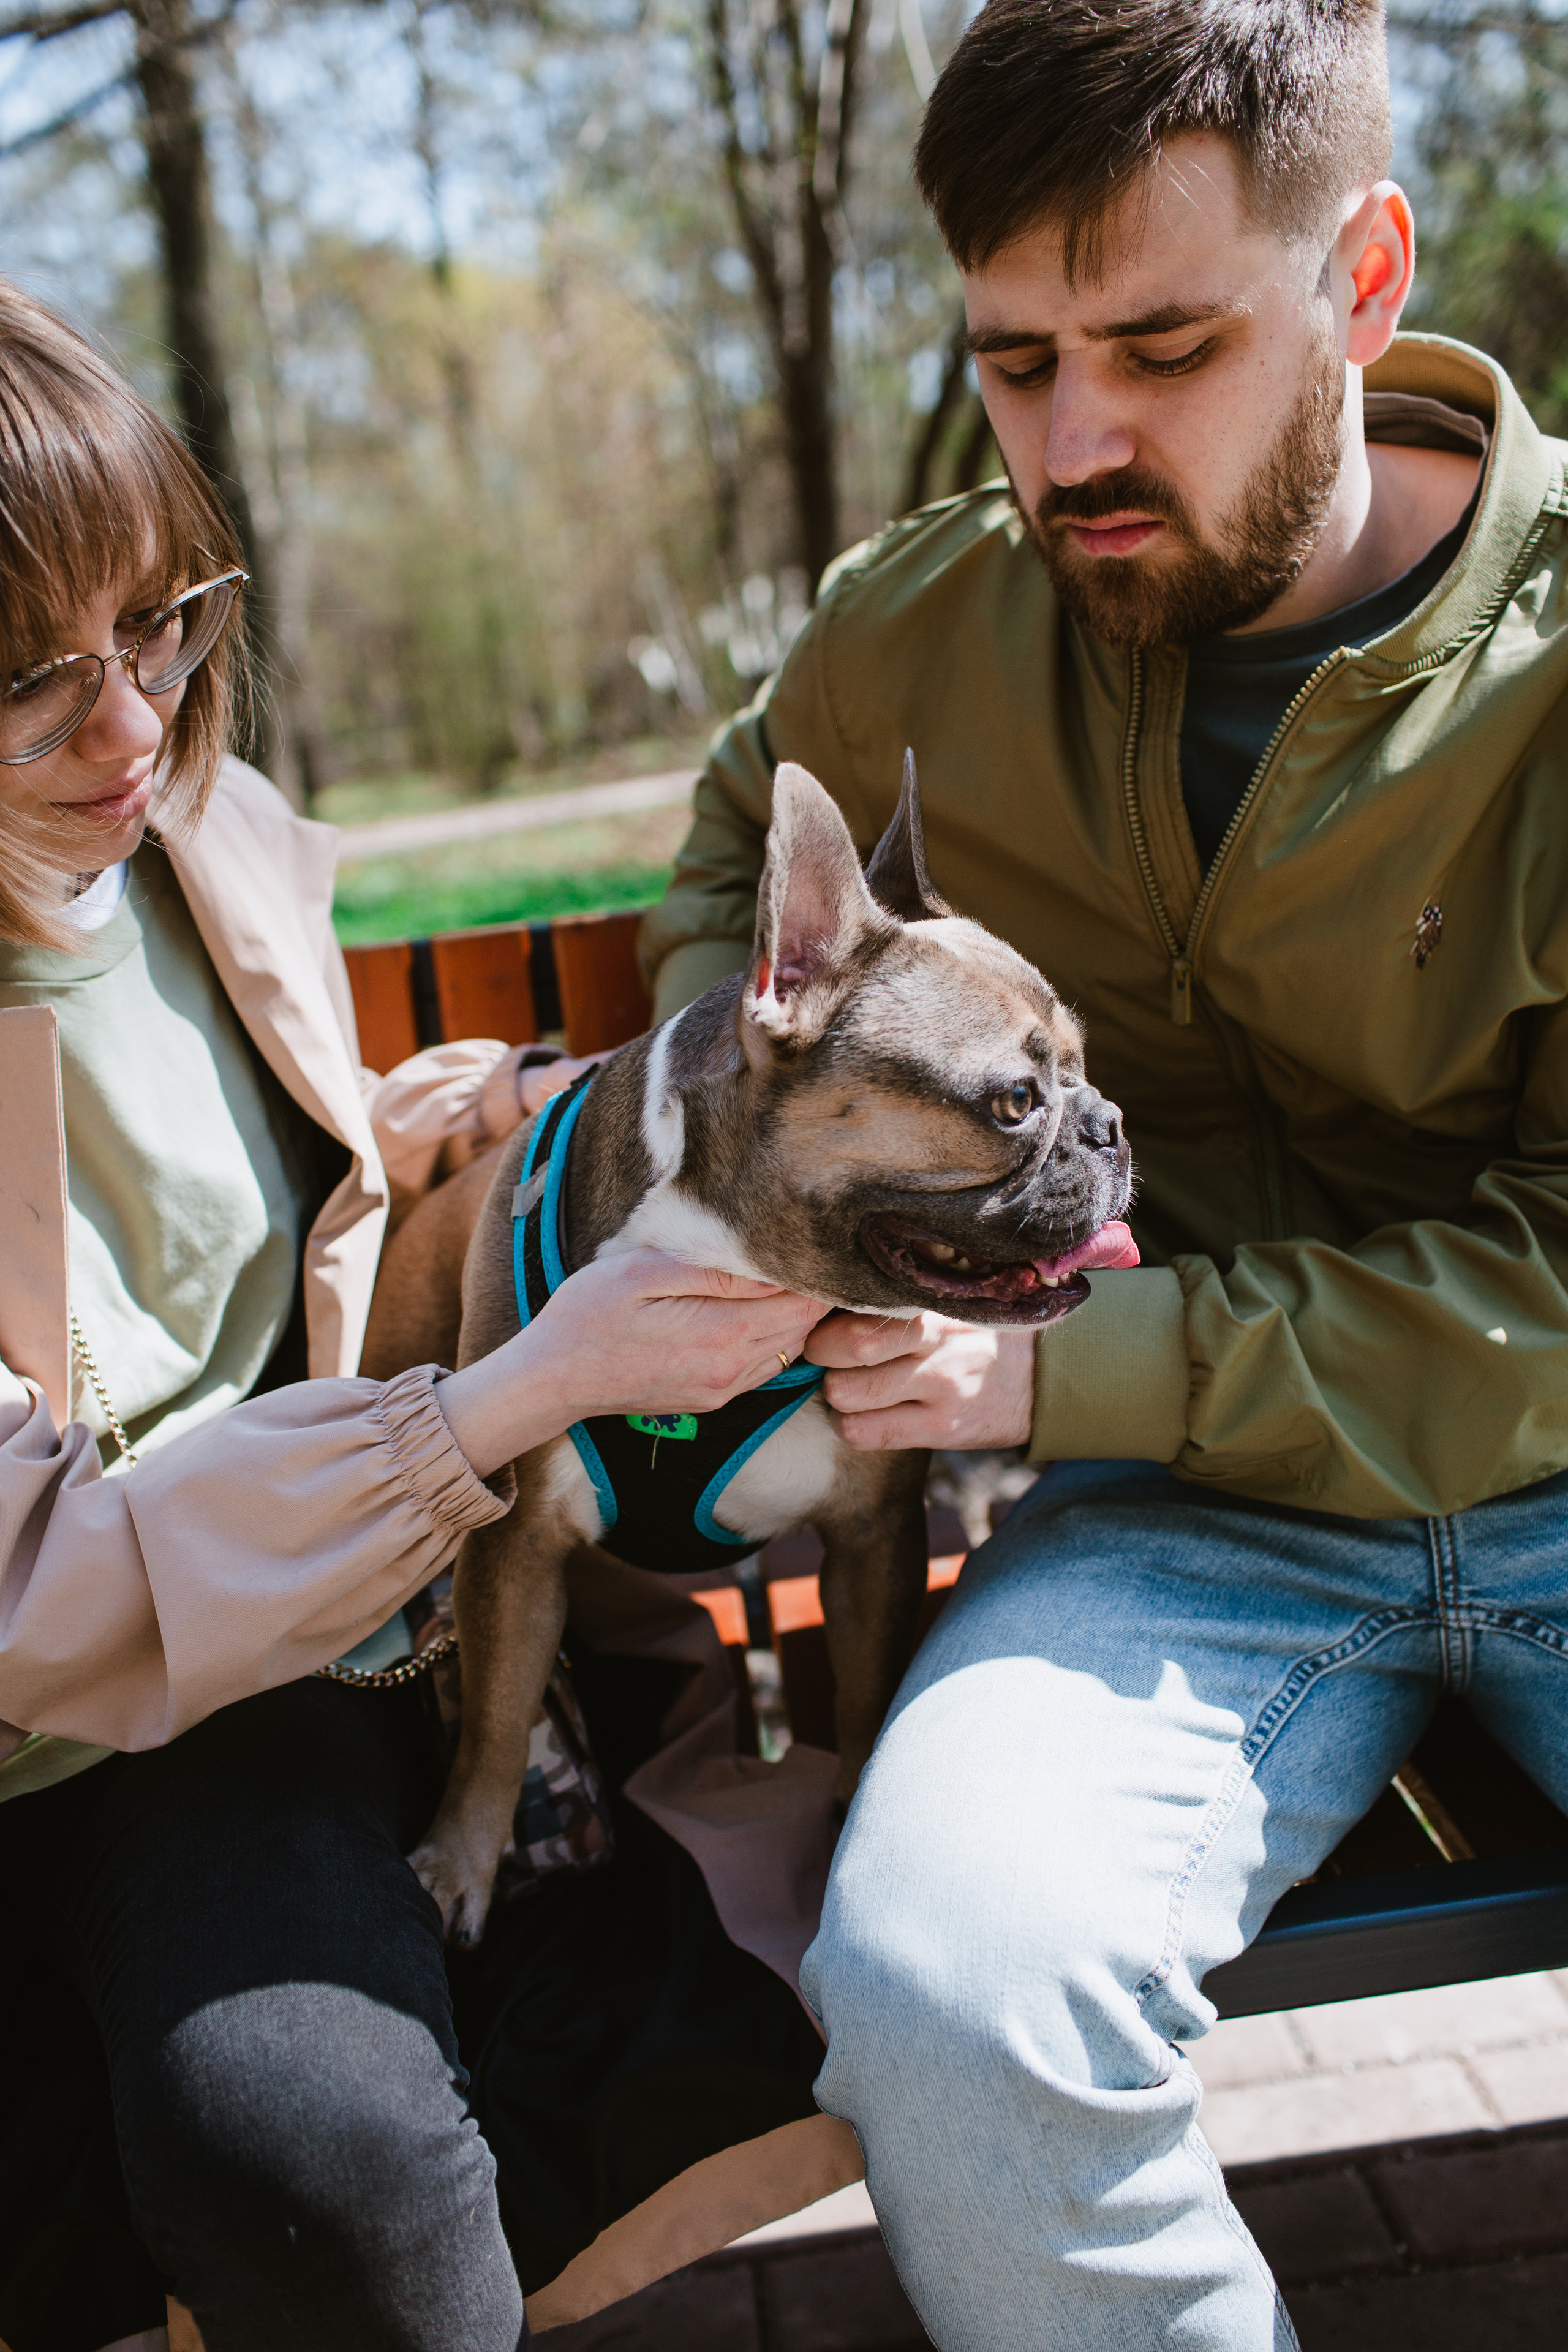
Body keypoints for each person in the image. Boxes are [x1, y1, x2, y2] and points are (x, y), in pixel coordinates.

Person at [637, 1, 1568, 2343]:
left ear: (1365, 279)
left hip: (1525, 1451)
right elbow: (734, 880)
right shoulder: (915, 635)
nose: (1076, 443)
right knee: (947, 1989)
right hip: (1176, 1526)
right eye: (1016, 363)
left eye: (1161, 346)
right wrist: (804, 1184)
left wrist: (1061, 1368)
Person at [0, 283, 823, 2352]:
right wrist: (525, 1391)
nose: (128, 726)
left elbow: (150, 1240)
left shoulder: (194, 841)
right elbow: (42, 1583)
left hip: (249, 1674)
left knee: (317, 2161)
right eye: (27, 685)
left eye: (161, 624)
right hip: (67, 1678)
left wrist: (390, 1124)